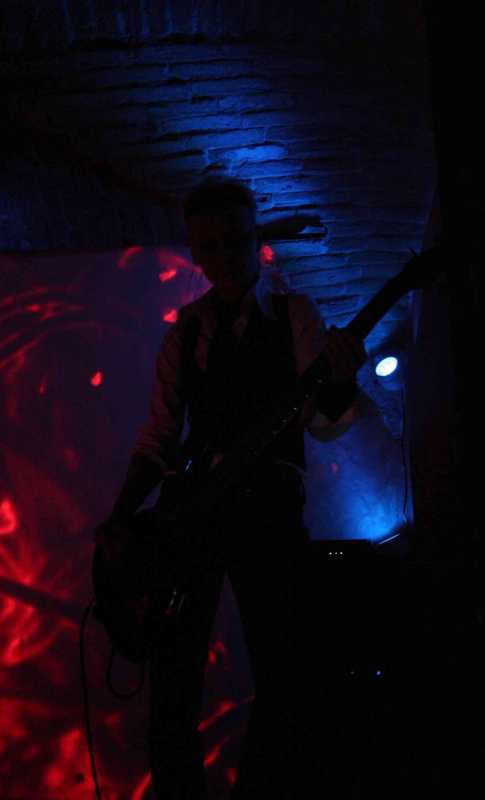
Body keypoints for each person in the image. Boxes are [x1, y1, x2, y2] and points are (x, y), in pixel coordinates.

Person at [95, 178, 366, 798]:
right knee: (173, 680)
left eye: (237, 241)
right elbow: (159, 436)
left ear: (255, 239)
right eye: (211, 246)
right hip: (193, 512)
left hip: (268, 508)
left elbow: (321, 420)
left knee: (285, 672)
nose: (226, 258)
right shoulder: (186, 331)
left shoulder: (294, 315)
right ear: (195, 252)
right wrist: (122, 514)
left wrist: (340, 378)